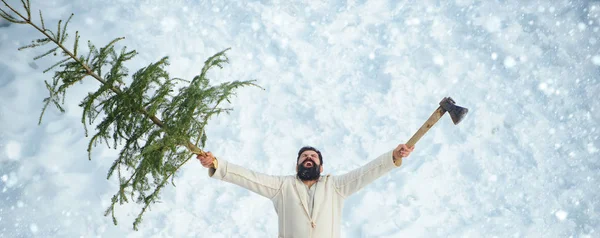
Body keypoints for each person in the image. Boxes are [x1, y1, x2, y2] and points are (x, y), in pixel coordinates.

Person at [197, 144, 414, 238]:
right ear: (297, 166)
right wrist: (216, 163)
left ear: (321, 167)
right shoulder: (283, 186)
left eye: (313, 157)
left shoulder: (335, 187)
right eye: (304, 157)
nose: (308, 158)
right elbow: (248, 177)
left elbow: (367, 172)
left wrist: (393, 157)